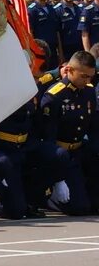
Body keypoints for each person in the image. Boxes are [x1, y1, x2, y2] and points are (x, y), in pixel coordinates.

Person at [39, 50, 96, 215]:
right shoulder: (54, 96)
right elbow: (48, 139)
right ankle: (48, 197)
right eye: (83, 76)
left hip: (78, 152)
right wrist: (58, 179)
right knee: (80, 208)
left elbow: (93, 128)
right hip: (61, 157)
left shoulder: (89, 92)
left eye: (90, 77)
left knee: (94, 206)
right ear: (70, 70)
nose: (87, 80)